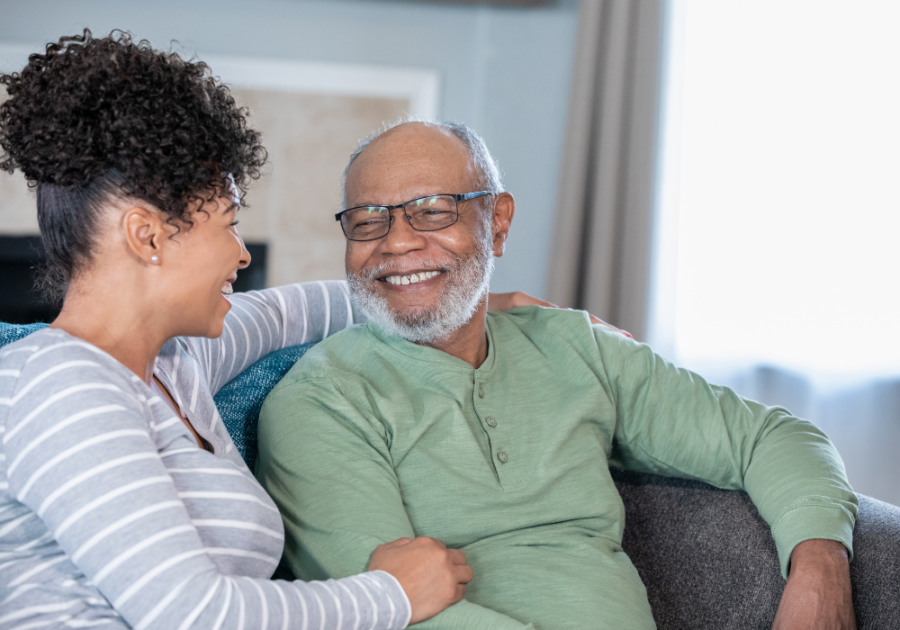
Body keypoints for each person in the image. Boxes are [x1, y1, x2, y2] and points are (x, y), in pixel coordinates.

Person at [256, 119, 860, 630]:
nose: (397, 242)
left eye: (432, 212)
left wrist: (821, 563)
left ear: (497, 222)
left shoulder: (577, 349)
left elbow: (770, 437)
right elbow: (387, 612)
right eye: (368, 220)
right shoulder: (319, 401)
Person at [0, 32, 483, 630]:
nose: (240, 255)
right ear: (146, 235)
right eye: (228, 224)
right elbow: (195, 613)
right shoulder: (63, 384)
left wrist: (456, 298)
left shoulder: (176, 367)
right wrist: (393, 594)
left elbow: (295, 312)